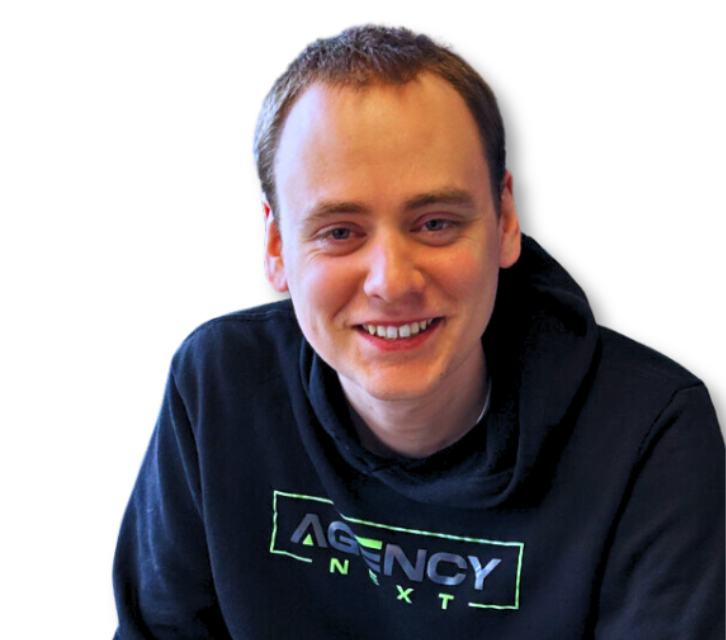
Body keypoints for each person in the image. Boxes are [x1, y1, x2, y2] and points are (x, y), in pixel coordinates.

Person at [111, 22, 725, 639]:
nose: (392, 281)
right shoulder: (216, 385)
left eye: (434, 223)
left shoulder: (648, 430)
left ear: (505, 217)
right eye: (340, 231)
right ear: (275, 243)